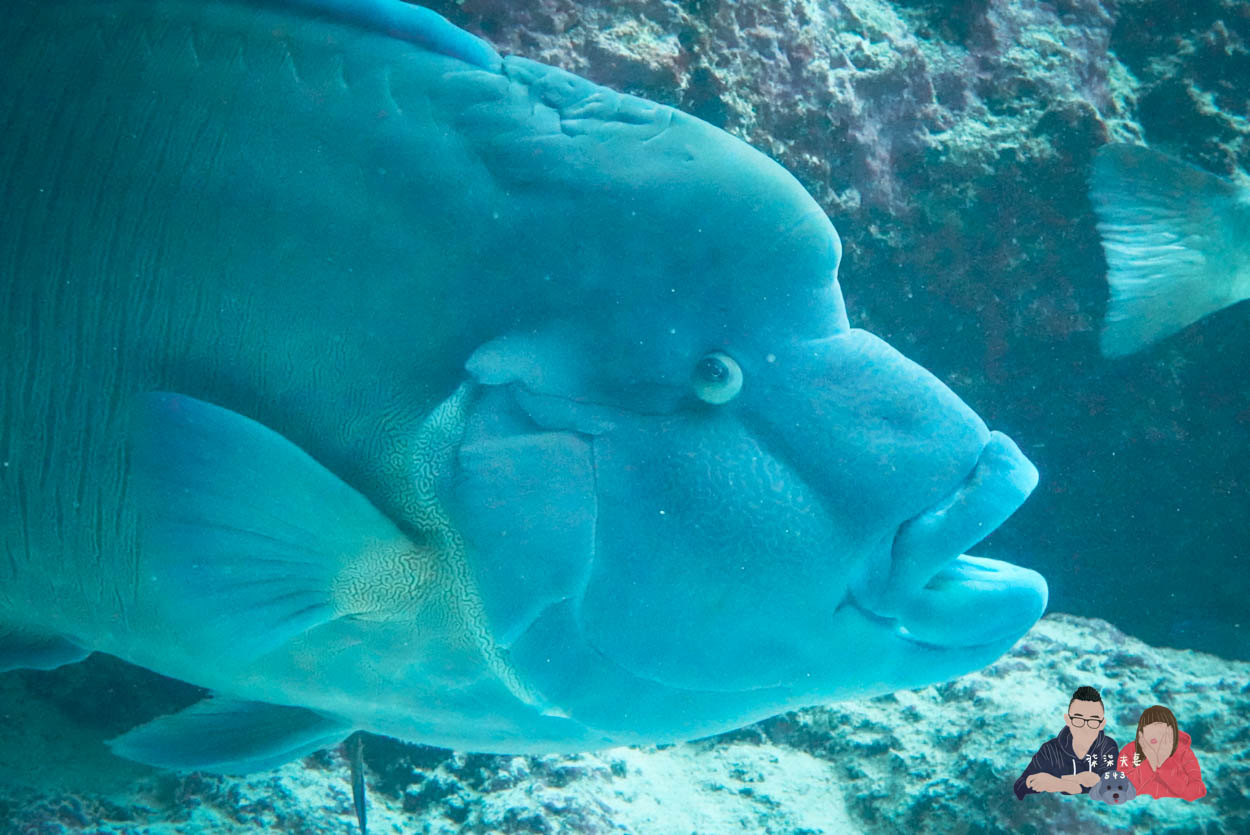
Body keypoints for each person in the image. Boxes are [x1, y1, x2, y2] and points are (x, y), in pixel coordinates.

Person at [1014, 685, 1118, 798]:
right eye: (1078, 719)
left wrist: (1063, 784)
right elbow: (1020, 786)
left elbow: (1111, 788)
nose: (1085, 727)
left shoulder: (1108, 747)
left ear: (1102, 724)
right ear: (1068, 720)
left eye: (1093, 720)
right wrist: (1069, 783)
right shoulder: (1050, 750)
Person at [1118, 705, 1206, 801]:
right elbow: (1120, 787)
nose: (1153, 734)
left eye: (1158, 727)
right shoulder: (1130, 751)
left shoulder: (1183, 753)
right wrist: (1149, 763)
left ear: (1170, 731)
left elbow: (1197, 792)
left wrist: (1165, 764)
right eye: (1148, 728)